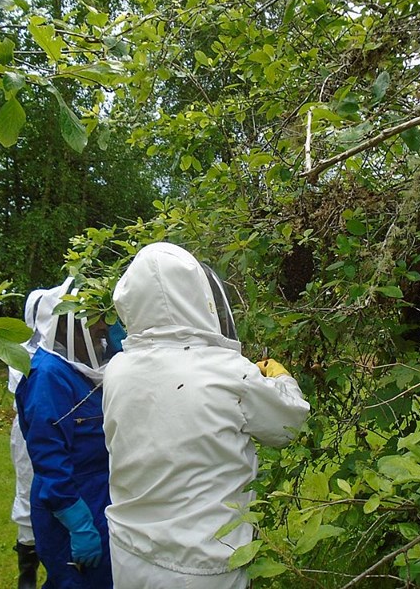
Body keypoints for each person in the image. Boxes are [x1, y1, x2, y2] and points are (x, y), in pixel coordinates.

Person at [103, 242, 310, 589]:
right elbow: (289, 425)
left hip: (128, 553)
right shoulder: (228, 371)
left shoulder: (117, 369)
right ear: (198, 296)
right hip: (202, 564)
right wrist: (282, 379)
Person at [15, 277, 115, 589]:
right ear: (64, 327)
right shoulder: (48, 376)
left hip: (101, 493)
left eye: (103, 318)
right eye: (94, 319)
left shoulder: (82, 366)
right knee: (74, 582)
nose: (102, 327)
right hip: (72, 503)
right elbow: (48, 455)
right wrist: (77, 521)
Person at [8, 288, 47, 589]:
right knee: (28, 490)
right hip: (28, 430)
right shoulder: (20, 351)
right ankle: (27, 570)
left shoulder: (65, 347)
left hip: (55, 427)